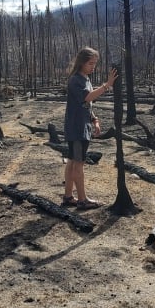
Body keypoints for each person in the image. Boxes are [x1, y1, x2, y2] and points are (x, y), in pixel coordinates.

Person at [62, 47, 118, 210]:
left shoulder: (85, 78)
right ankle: (82, 199)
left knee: (72, 161)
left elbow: (85, 104)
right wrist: (107, 85)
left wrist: (94, 119)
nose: (93, 67)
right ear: (81, 63)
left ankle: (68, 197)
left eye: (95, 63)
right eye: (90, 63)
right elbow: (87, 97)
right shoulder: (75, 80)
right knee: (78, 164)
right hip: (77, 129)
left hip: (81, 126)